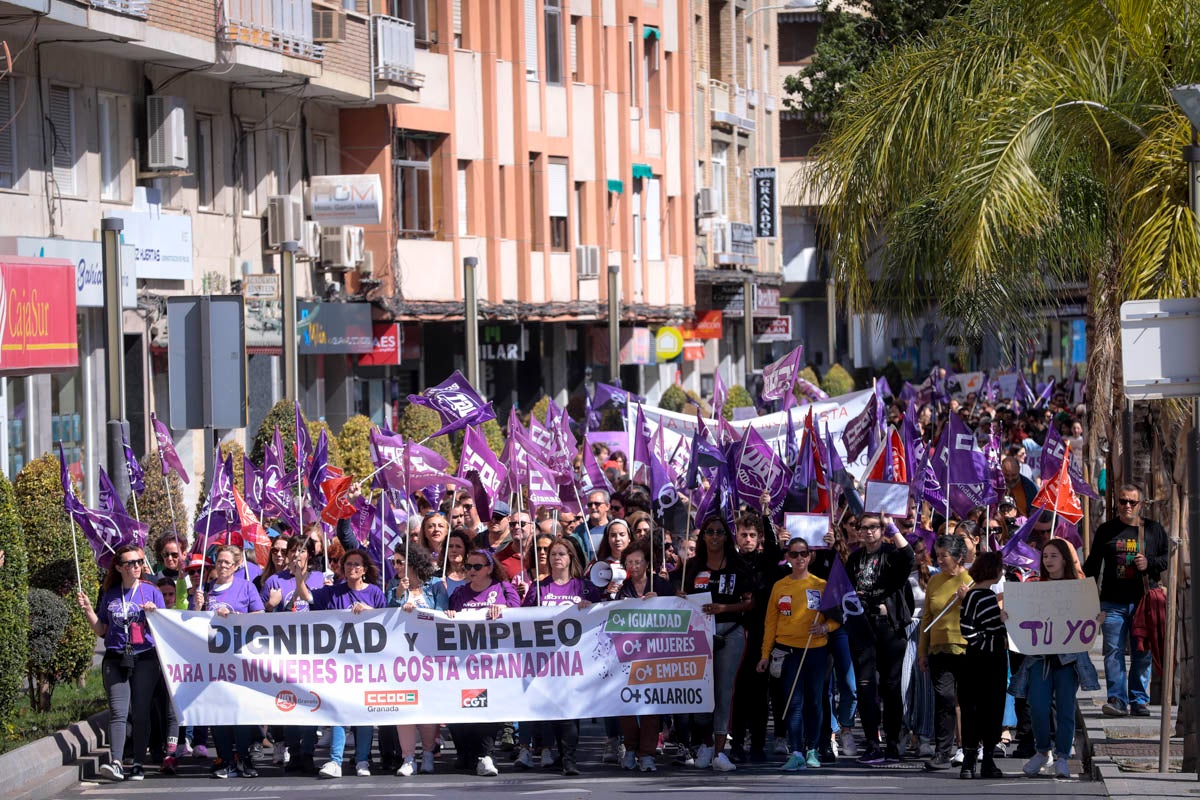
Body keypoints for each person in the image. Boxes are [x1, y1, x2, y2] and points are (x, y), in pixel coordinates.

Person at [77, 544, 168, 782]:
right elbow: (102, 629)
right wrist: (88, 610)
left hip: (145, 657)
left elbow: (165, 629)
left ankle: (138, 762)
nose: (137, 566)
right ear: (119, 567)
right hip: (117, 657)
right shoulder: (110, 593)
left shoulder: (152, 591)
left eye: (139, 562)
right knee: (118, 712)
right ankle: (116, 762)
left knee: (140, 712)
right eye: (131, 563)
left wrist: (154, 613)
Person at [1012, 539, 1100, 779]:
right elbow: (1021, 615)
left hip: (1068, 659)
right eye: (1046, 556)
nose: (1048, 561)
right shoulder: (1034, 587)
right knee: (1038, 707)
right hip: (1040, 658)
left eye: (1054, 556)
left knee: (1065, 709)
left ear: (1064, 559)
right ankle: (1042, 751)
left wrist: (1096, 619)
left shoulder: (1078, 588)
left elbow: (1088, 616)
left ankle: (1062, 755)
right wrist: (1009, 614)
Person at [1083, 483, 1169, 717]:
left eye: (1132, 502)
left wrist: (1148, 563)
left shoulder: (1153, 530)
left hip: (1144, 602)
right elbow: (1092, 565)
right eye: (1122, 501)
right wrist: (1075, 585)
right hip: (1112, 602)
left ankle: (1139, 700)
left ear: (1141, 504)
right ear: (1116, 503)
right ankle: (1117, 699)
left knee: (1143, 651)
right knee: (1113, 651)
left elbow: (1165, 560)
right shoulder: (1106, 530)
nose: (1127, 506)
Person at [677, 514, 753, 772]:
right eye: (709, 532)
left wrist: (724, 607)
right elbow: (678, 599)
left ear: (726, 536)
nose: (714, 537)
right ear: (703, 536)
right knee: (700, 691)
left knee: (723, 692)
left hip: (731, 632)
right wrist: (678, 596)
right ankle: (706, 744)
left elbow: (750, 602)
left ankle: (721, 751)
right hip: (699, 636)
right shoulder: (691, 566)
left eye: (720, 532)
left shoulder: (738, 566)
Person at [304, 549, 387, 779]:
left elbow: (387, 621)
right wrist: (300, 578)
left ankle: (362, 760)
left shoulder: (375, 593)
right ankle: (335, 761)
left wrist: (370, 612)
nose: (352, 568)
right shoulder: (333, 593)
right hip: (339, 665)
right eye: (348, 564)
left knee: (363, 713)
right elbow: (308, 597)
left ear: (364, 569)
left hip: (368, 665)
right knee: (340, 712)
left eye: (357, 565)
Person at [757, 538, 838, 772]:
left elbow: (836, 618)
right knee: (793, 703)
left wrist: (824, 628)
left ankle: (812, 749)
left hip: (816, 650)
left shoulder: (822, 584)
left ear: (810, 556)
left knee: (814, 702)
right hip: (787, 651)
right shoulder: (779, 586)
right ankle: (796, 752)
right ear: (788, 557)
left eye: (804, 553)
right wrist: (764, 655)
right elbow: (770, 623)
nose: (799, 558)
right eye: (794, 554)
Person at [519, 538, 594, 775]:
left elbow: (601, 615)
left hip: (575, 659)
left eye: (561, 553)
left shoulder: (583, 587)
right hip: (545, 660)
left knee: (571, 710)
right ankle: (557, 754)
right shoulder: (540, 588)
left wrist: (589, 606)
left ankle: (569, 759)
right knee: (553, 709)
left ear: (571, 557)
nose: (556, 557)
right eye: (553, 554)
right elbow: (523, 618)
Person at [845, 512, 914, 763]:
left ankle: (893, 743)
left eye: (874, 527)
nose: (869, 532)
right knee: (864, 687)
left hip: (889, 628)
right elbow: (843, 590)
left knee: (891, 687)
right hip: (863, 626)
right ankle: (872, 743)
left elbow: (909, 557)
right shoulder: (854, 558)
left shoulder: (891, 553)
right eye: (863, 528)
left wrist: (892, 527)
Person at [446, 550, 521, 776]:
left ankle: (486, 754)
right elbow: (448, 618)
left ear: (489, 568)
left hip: (494, 662)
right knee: (461, 710)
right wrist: (448, 614)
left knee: (486, 707)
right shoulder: (460, 593)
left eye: (477, 567)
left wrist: (505, 610)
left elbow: (521, 613)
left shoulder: (503, 588)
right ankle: (465, 754)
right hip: (464, 664)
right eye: (468, 567)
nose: (471, 571)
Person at [193, 545, 265, 778]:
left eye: (227, 562)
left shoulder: (246, 587)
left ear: (236, 566)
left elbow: (261, 616)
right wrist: (197, 606)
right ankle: (225, 758)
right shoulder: (206, 589)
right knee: (219, 712)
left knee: (240, 711)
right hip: (213, 661)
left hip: (241, 660)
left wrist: (234, 618)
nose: (222, 566)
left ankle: (243, 758)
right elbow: (193, 623)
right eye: (219, 561)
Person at [261, 536, 327, 773]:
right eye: (292, 551)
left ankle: (308, 752)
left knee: (310, 702)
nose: (295, 555)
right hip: (283, 651)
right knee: (288, 703)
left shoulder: (321, 579)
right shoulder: (274, 580)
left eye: (301, 551)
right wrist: (270, 606)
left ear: (309, 554)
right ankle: (294, 753)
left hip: (313, 650)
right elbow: (257, 619)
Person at [610, 541, 673, 772]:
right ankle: (630, 748)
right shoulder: (620, 588)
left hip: (655, 653)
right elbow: (605, 615)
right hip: (625, 656)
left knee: (650, 705)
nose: (634, 566)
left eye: (638, 562)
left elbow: (678, 609)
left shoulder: (663, 585)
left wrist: (662, 601)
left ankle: (647, 753)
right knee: (626, 703)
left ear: (647, 563)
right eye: (629, 562)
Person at [389, 543, 448, 776]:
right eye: (394, 562)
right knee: (404, 708)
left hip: (429, 657)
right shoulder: (394, 585)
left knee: (427, 709)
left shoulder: (434, 585)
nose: (395, 566)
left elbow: (442, 613)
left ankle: (427, 753)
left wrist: (419, 612)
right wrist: (398, 596)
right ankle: (408, 758)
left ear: (412, 563)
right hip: (401, 657)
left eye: (399, 562)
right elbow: (385, 616)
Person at [919, 534, 972, 771]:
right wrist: (922, 651)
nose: (939, 560)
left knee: (969, 701)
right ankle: (942, 752)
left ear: (959, 557)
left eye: (944, 556)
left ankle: (971, 748)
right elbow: (927, 619)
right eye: (937, 555)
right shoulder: (934, 581)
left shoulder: (970, 580)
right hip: (938, 650)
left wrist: (967, 598)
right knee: (944, 700)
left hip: (965, 649)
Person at [957, 552, 1007, 779]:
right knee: (990, 709)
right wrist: (990, 639)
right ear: (993, 571)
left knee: (973, 710)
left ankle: (970, 762)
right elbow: (968, 630)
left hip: (976, 659)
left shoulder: (973, 596)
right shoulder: (983, 596)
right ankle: (985, 760)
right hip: (987, 659)